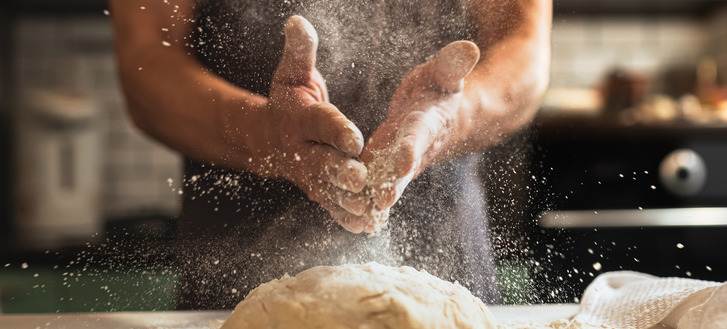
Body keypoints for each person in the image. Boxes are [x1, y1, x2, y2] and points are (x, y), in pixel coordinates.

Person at [109, 0, 551, 309]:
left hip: (446, 265)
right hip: (234, 277)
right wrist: (265, 135)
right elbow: (145, 63)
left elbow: (524, 53)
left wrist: (448, 118)